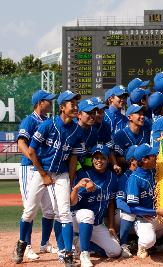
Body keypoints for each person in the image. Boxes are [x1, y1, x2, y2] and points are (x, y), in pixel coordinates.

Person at [13, 90, 85, 266]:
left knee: (64, 213)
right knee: (29, 211)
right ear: (62, 108)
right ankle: (22, 244)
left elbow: (73, 159)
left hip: (61, 174)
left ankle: (67, 253)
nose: (75, 107)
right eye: (72, 104)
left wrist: (70, 180)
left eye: (76, 104)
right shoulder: (47, 125)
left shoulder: (77, 130)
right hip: (40, 171)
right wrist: (44, 175)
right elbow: (31, 150)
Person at [16, 90, 57, 261]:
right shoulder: (29, 120)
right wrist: (33, 159)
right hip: (29, 168)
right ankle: (26, 247)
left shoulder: (48, 122)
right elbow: (21, 143)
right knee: (30, 209)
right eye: (48, 100)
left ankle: (44, 243)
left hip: (45, 169)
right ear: (40, 102)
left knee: (49, 210)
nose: (51, 103)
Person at [71, 144, 121, 267]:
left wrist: (110, 226)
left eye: (102, 157)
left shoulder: (112, 177)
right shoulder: (84, 175)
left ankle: (81, 243)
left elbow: (111, 202)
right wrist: (77, 187)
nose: (99, 161)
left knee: (115, 251)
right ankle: (84, 253)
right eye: (96, 157)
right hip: (77, 220)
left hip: (96, 224)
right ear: (92, 160)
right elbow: (72, 202)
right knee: (88, 214)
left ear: (108, 160)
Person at [115, 145, 138, 258]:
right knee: (129, 214)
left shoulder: (148, 174)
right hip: (122, 215)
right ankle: (123, 243)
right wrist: (136, 210)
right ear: (132, 161)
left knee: (159, 233)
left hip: (138, 216)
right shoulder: (125, 177)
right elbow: (119, 202)